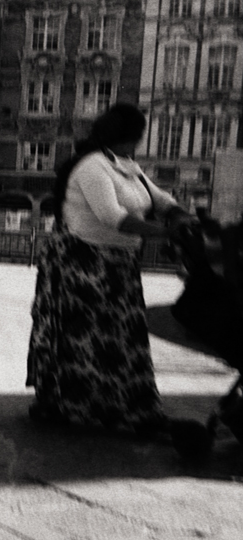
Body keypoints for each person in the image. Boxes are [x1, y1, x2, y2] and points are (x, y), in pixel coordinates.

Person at [27, 103, 192, 432]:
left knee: (121, 340)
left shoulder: (127, 166)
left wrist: (179, 214)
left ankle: (122, 404)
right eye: (136, 136)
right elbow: (112, 217)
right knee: (88, 340)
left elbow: (158, 199)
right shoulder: (92, 166)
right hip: (84, 266)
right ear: (127, 136)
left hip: (118, 268)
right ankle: (82, 407)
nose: (138, 144)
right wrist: (164, 232)